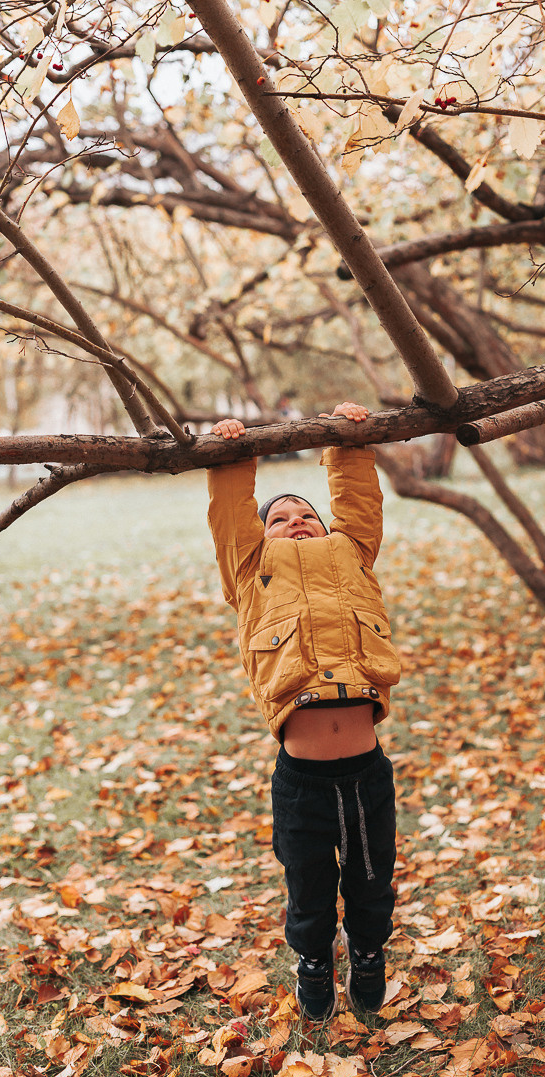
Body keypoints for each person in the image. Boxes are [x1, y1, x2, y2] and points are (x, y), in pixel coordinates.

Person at [207, 402, 400, 1021]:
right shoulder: (250, 570)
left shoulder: (352, 554)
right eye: (280, 518)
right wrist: (232, 456)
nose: (296, 522)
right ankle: (314, 960)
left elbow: (360, 505)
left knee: (371, 881)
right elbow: (230, 518)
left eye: (307, 515)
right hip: (302, 783)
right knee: (309, 885)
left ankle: (367, 951)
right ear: (260, 535)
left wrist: (348, 442)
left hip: (367, 774)